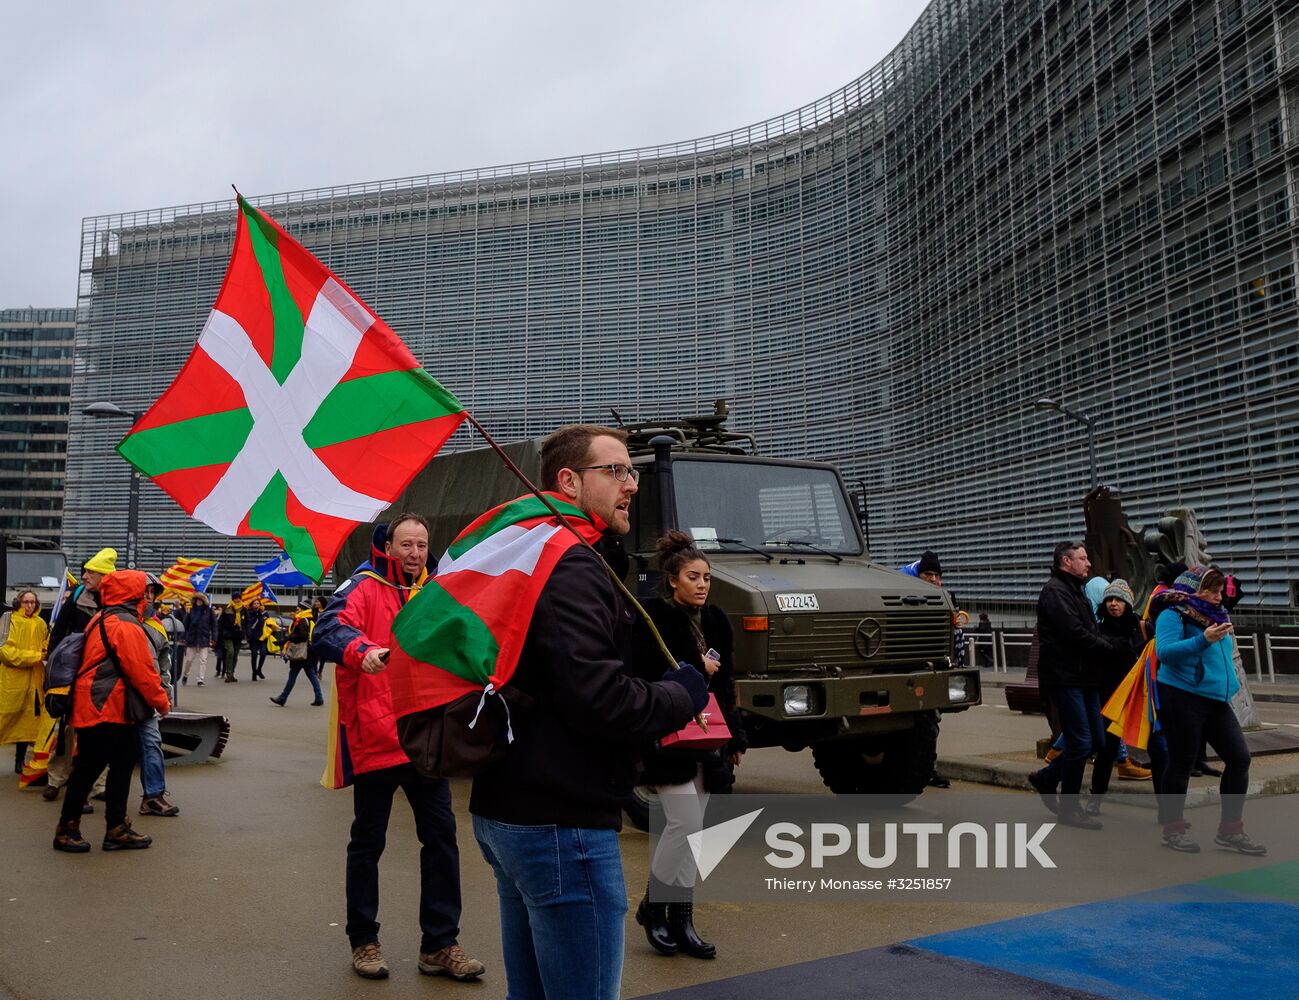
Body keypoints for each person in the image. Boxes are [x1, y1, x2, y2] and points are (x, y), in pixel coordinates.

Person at [469, 424, 704, 1000]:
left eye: (633, 472)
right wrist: (685, 694)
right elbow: (601, 700)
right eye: (616, 471)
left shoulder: (535, 552)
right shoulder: (571, 566)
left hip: (511, 808)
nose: (631, 484)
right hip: (561, 821)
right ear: (569, 481)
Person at [314, 513, 485, 982]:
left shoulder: (439, 588)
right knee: (368, 843)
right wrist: (360, 649)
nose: (414, 553)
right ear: (388, 547)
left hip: (427, 739)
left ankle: (440, 944)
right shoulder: (362, 586)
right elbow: (325, 630)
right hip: (376, 739)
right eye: (406, 545)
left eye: (421, 545)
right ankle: (364, 941)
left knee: (443, 842)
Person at [631, 530, 747, 960]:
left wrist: (736, 735)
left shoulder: (716, 620)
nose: (702, 584)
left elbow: (728, 680)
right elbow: (640, 674)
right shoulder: (652, 619)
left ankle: (682, 920)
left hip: (709, 736)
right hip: (669, 737)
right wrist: (695, 667)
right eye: (693, 577)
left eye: (707, 578)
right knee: (683, 823)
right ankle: (652, 907)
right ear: (672, 580)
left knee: (695, 834)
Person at [52, 569, 171, 853]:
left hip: (108, 707)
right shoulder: (126, 626)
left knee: (119, 766)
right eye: (147, 591)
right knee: (88, 770)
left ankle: (116, 827)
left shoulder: (104, 618)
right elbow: (142, 672)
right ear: (133, 593)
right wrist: (162, 703)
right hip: (105, 707)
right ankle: (67, 830)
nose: (150, 596)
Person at [1155, 567, 1265, 855]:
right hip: (1182, 696)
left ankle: (1230, 831)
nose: (1219, 597)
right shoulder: (1173, 612)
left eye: (1220, 591)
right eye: (1212, 591)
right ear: (1194, 590)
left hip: (1215, 699)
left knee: (1239, 758)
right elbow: (1165, 653)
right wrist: (1204, 639)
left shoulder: (1217, 614)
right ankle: (1173, 830)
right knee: (1181, 762)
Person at [1027, 541, 1118, 829]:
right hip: (1066, 678)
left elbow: (1085, 629)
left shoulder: (1074, 589)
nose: (1088, 563)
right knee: (1080, 741)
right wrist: (1108, 647)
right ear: (1066, 562)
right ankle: (1069, 808)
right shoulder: (1055, 591)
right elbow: (1075, 633)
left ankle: (1048, 777)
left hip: (1084, 677)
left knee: (1098, 740)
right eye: (1083, 557)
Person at [44, 548, 116, 806]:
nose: (83, 575)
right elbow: (58, 633)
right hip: (72, 673)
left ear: (104, 576)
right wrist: (53, 669)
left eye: (89, 572)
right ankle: (55, 778)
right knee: (65, 728)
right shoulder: (76, 597)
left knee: (100, 731)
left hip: (104, 675)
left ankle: (98, 785)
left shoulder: (117, 602)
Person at [1082, 580, 1151, 814]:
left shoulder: (1139, 628)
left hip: (1139, 698)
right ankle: (1096, 798)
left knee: (1159, 749)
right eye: (1110, 599)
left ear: (1128, 604)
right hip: (1109, 699)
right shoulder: (1097, 631)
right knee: (1106, 750)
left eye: (1119, 600)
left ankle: (1168, 807)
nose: (1113, 604)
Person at [898, 550, 952, 788]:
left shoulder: (932, 594)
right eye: (928, 574)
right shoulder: (901, 590)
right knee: (921, 723)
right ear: (918, 573)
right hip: (906, 669)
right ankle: (922, 769)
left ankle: (926, 768)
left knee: (928, 722)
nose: (932, 579)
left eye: (936, 575)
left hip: (924, 667)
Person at [138, 594, 180, 818]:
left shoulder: (157, 627)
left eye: (151, 594)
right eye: (144, 593)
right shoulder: (117, 621)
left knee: (152, 745)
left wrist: (166, 694)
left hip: (148, 698)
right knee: (106, 752)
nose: (148, 598)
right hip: (117, 698)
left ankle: (153, 796)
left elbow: (164, 666)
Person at [1, 591, 50, 774]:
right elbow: (6, 652)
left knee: (27, 722)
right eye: (25, 602)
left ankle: (20, 760)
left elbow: (45, 645)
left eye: (32, 602)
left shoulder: (40, 623)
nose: (29, 605)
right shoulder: (9, 621)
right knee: (7, 718)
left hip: (35, 680)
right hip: (13, 678)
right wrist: (36, 657)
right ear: (18, 603)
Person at [270, 599, 323, 707]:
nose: (297, 609)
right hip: (308, 653)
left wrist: (290, 637)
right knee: (311, 674)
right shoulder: (307, 619)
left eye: (298, 608)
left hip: (302, 653)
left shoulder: (303, 620)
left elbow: (303, 636)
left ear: (303, 609)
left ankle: (283, 698)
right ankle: (319, 697)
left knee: (293, 675)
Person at [181, 593, 217, 686]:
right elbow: (185, 624)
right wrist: (183, 636)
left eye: (200, 600)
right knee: (189, 660)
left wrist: (214, 638)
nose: (198, 601)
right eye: (197, 600)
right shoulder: (191, 610)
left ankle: (200, 679)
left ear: (204, 601)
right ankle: (185, 675)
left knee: (203, 660)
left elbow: (214, 625)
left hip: (204, 638)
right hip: (192, 638)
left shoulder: (209, 611)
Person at [244, 599, 270, 681]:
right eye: (254, 604)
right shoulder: (249, 613)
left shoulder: (264, 613)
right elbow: (248, 624)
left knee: (263, 653)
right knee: (254, 655)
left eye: (258, 603)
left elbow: (267, 623)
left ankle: (259, 669)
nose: (256, 605)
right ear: (251, 605)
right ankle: (254, 672)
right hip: (253, 637)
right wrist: (248, 635)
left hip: (263, 637)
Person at [219, 602, 243, 682]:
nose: (237, 600)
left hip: (238, 635)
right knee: (230, 652)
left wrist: (247, 632)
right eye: (235, 598)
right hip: (228, 635)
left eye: (238, 598)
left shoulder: (243, 609)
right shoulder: (227, 609)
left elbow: (247, 622)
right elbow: (221, 622)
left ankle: (232, 673)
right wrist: (220, 633)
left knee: (235, 655)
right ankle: (228, 674)